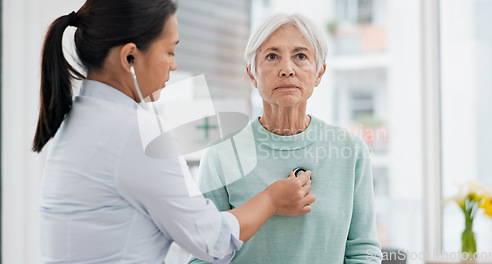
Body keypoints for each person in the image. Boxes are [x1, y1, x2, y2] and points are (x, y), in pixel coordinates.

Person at [33, 1, 316, 263]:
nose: (174, 64)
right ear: (130, 57)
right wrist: (272, 198)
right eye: (169, 51)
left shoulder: (80, 118)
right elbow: (212, 241)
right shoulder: (138, 133)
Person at [188, 13, 382, 264]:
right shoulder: (221, 155)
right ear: (252, 74)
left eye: (300, 56)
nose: (287, 69)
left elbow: (364, 252)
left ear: (319, 72)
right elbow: (203, 256)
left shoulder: (351, 150)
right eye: (272, 56)